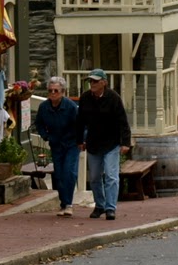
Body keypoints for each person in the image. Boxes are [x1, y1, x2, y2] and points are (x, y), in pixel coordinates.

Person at [77, 68, 130, 220]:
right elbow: (80, 121)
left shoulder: (113, 98)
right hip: (93, 143)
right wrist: (79, 140)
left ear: (104, 82)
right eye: (90, 81)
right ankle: (99, 205)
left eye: (95, 81)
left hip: (111, 142)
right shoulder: (85, 98)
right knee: (94, 177)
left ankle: (110, 207)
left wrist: (125, 142)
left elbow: (123, 121)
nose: (92, 84)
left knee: (111, 176)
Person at [34, 76, 82, 216]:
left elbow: (81, 125)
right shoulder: (44, 107)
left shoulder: (71, 107)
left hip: (71, 143)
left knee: (69, 172)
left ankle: (69, 204)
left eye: (56, 90)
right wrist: (46, 136)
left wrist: (81, 140)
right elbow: (39, 123)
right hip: (56, 144)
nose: (53, 93)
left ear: (63, 92)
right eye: (50, 90)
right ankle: (63, 204)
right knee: (59, 174)